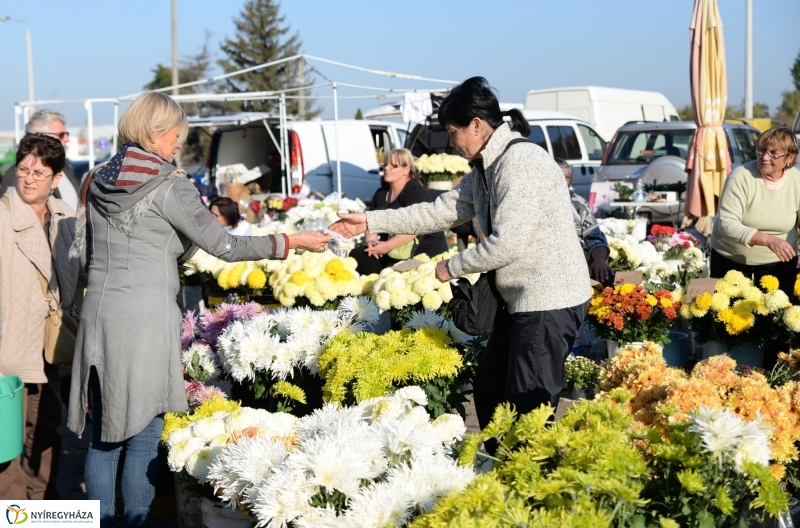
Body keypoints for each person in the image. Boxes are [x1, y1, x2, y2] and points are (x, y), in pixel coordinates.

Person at [66, 92, 329, 527]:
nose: (176, 147)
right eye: (175, 137)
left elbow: (85, 252)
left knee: (101, 439)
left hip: (100, 317)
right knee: (144, 439)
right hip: (146, 322)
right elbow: (224, 244)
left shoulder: (93, 179)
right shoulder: (170, 183)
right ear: (156, 134)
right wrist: (290, 241)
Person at [331, 77, 591, 430]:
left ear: (477, 125)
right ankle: (507, 471)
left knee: (529, 405)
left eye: (453, 132)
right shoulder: (487, 166)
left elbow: (507, 243)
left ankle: (532, 479)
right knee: (490, 386)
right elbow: (437, 211)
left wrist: (451, 266)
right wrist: (367, 220)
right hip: (521, 299)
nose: (451, 143)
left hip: (549, 298)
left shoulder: (520, 162)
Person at [0, 135, 82, 500]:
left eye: (39, 172)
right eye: (23, 169)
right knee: (8, 439)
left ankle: (43, 505)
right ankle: (13, 512)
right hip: (8, 348)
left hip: (52, 346)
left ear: (56, 177)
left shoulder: (67, 216)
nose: (28, 178)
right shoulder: (2, 216)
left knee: (47, 429)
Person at [710, 126, 800, 299]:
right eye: (761, 150)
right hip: (731, 256)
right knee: (731, 318)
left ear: (790, 157)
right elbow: (727, 224)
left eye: (774, 153)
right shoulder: (740, 177)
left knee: (775, 319)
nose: (765, 157)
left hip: (778, 260)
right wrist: (768, 240)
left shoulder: (797, 182)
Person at [350, 148, 448, 274]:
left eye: (394, 166)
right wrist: (372, 243)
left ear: (406, 170)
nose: (386, 168)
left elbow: (414, 229)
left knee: (393, 271)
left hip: (421, 247)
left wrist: (386, 247)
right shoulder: (381, 193)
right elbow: (370, 222)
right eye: (385, 165)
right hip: (392, 248)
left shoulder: (414, 191)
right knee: (358, 255)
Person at [0, 110, 81, 211]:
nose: (66, 139)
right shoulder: (16, 173)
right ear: (39, 136)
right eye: (61, 135)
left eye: (67, 134)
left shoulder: (64, 167)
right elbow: (9, 211)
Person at [554, 158, 612, 283]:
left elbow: (595, 238)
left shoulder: (577, 204)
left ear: (566, 181)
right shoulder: (533, 203)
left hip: (573, 274)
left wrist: (599, 261)